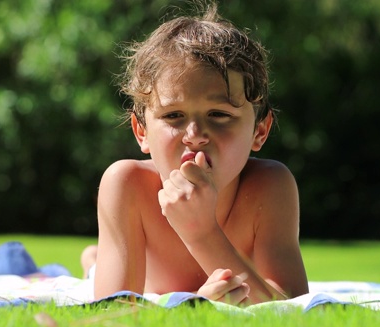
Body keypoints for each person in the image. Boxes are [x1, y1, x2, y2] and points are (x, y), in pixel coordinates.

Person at [81, 2, 308, 305]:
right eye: (174, 116)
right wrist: (193, 307)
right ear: (141, 132)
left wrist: (201, 232)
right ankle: (92, 262)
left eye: (218, 114)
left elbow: (292, 309)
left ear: (259, 131)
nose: (195, 136)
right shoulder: (127, 184)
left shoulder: (270, 187)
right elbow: (114, 313)